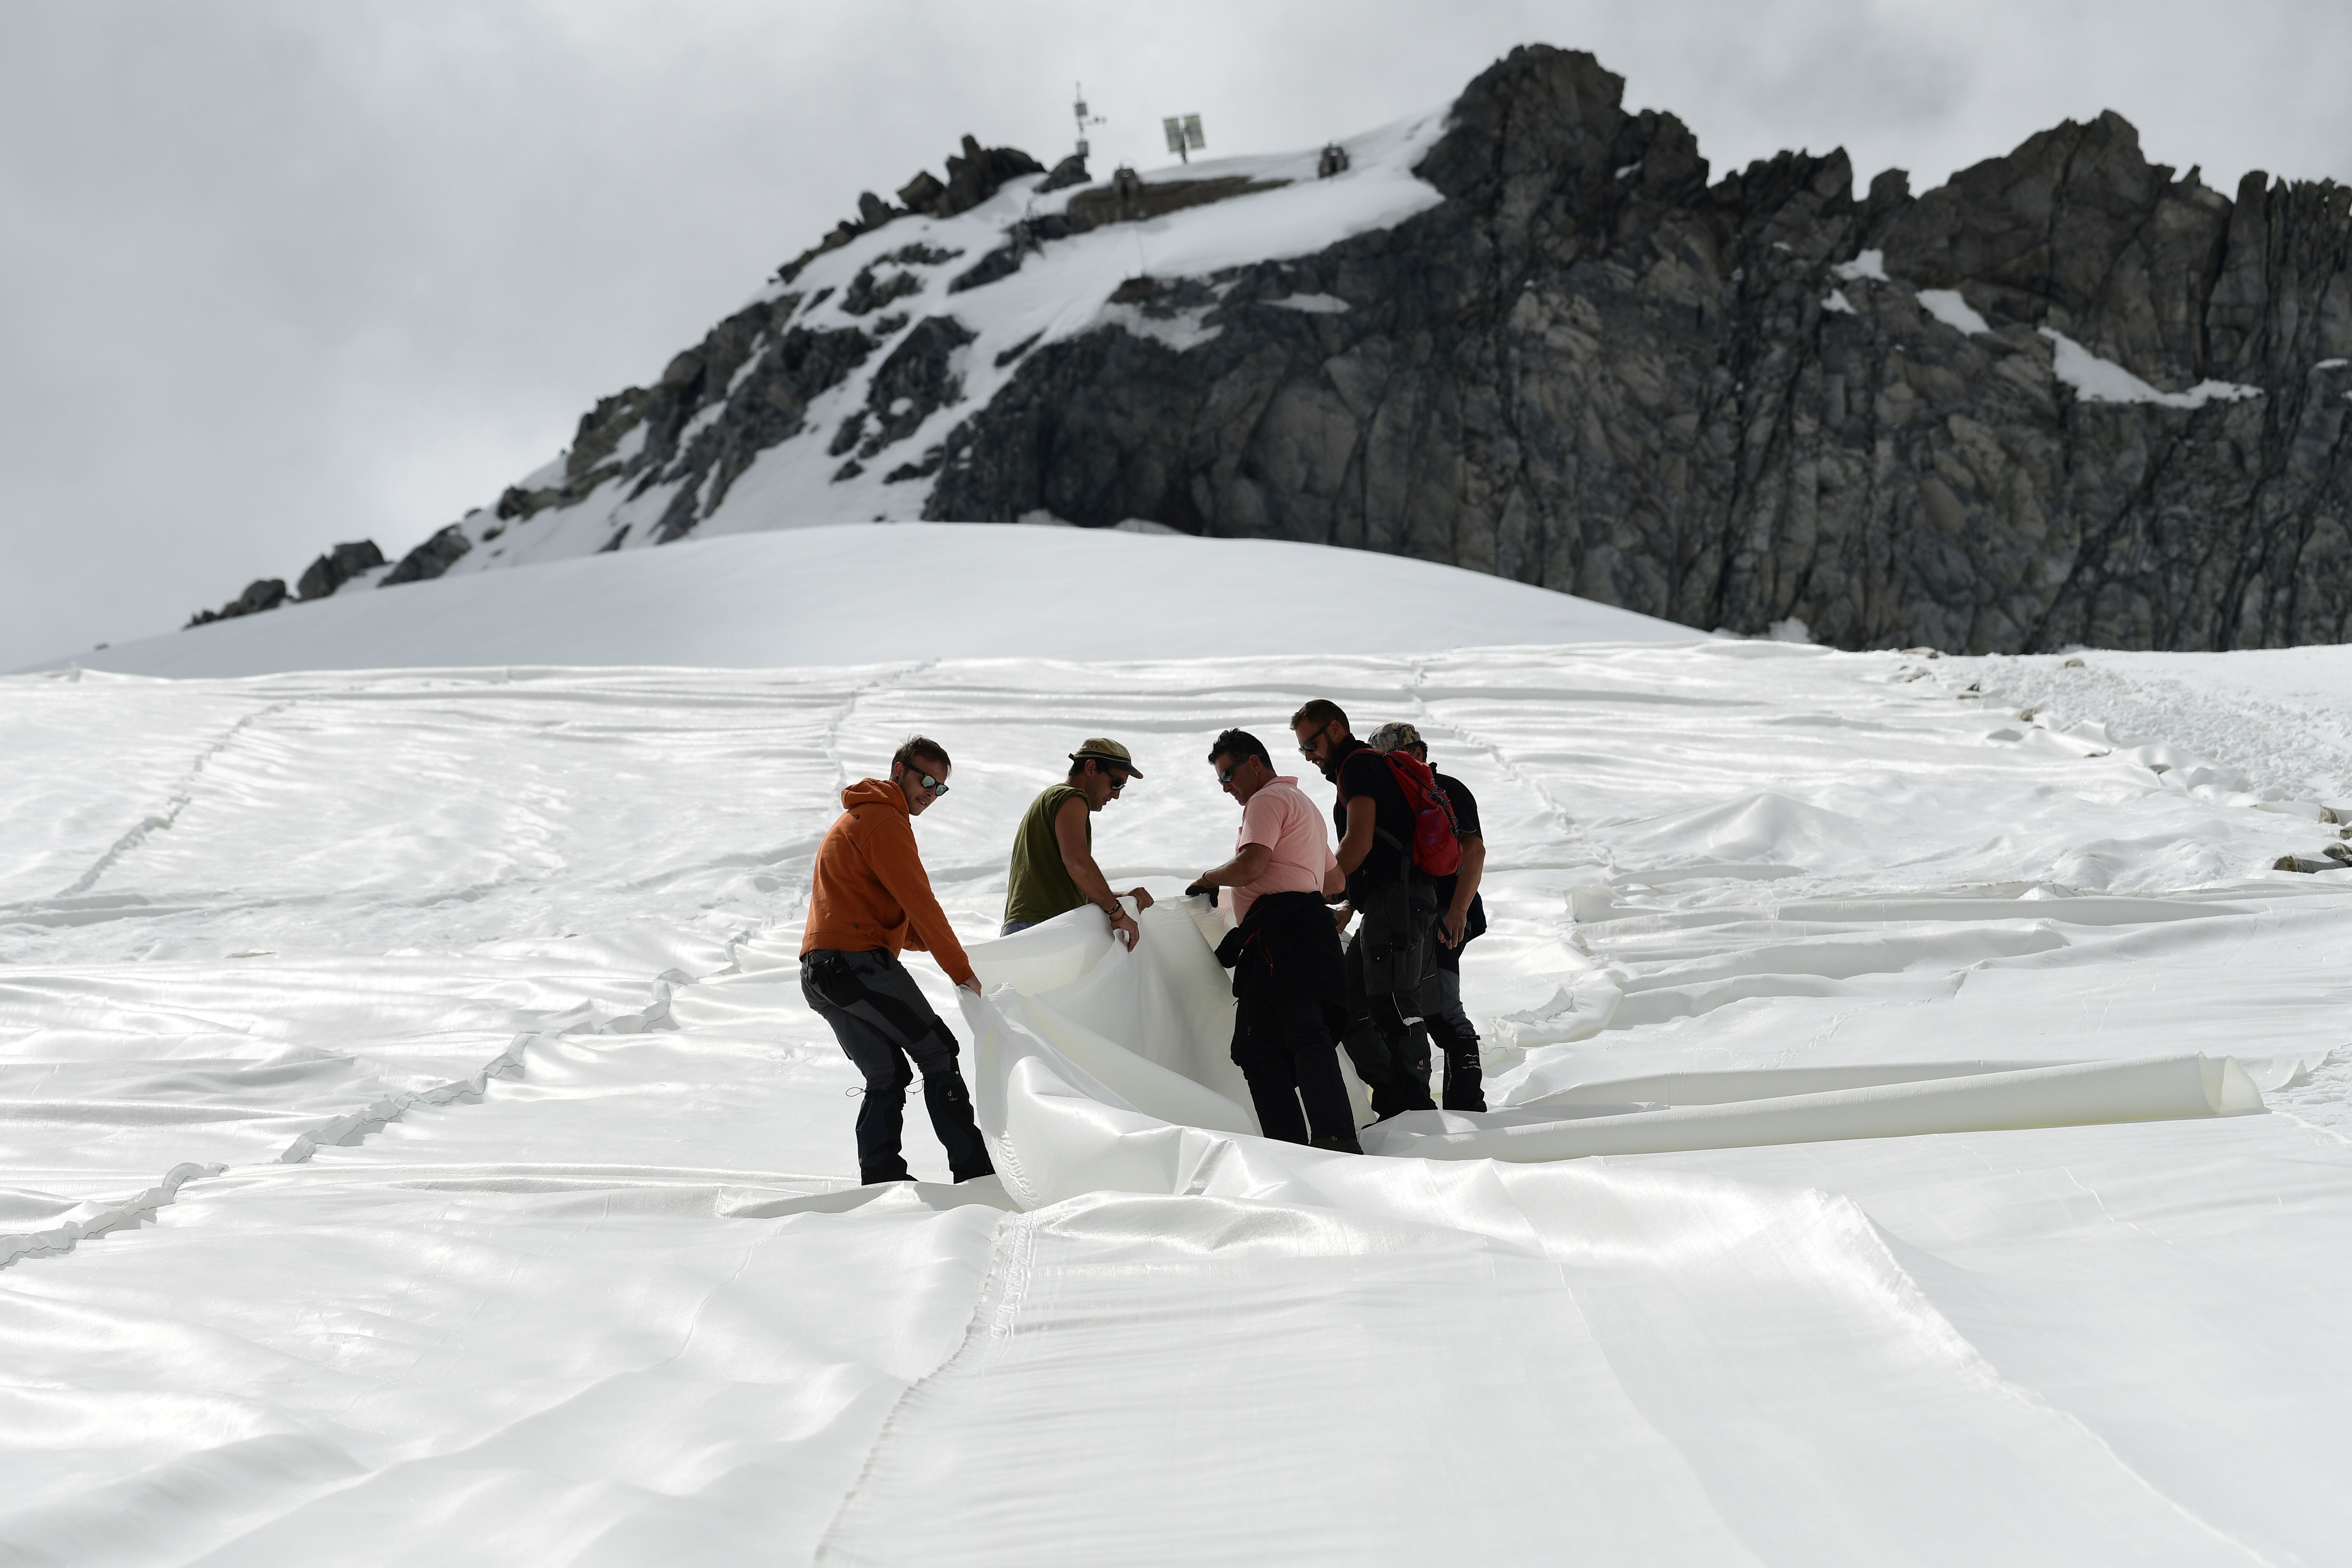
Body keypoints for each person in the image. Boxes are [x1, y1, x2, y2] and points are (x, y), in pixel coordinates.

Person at [800, 736, 994, 1187]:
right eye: (926, 779)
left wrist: (925, 942)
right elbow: (920, 901)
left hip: (821, 974)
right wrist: (962, 972)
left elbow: (885, 913)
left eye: (940, 787)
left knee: (887, 1071)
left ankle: (882, 1176)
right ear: (898, 770)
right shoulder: (886, 820)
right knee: (939, 1050)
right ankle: (975, 1172)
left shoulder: (858, 817)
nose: (930, 791)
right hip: (854, 964)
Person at [1186, 729, 1361, 1152]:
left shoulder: (1264, 800)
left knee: (1271, 1044)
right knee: (1292, 1037)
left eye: (1229, 773)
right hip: (1307, 932)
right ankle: (1326, 1138)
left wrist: (1208, 880)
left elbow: (1252, 865)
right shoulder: (1305, 806)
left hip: (1278, 937)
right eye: (1220, 779)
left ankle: (1304, 1145)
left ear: (1255, 763)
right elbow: (1335, 881)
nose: (1227, 785)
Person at [1291, 699, 1438, 1120]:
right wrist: (1350, 899)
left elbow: (1360, 842)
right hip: (1390, 902)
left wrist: (1314, 889)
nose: (1309, 755)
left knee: (1392, 1001)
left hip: (1398, 901)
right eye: (1302, 749)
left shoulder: (1357, 765)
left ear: (1335, 729)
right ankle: (1394, 1097)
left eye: (1311, 744)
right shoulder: (1365, 767)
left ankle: (1416, 1109)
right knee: (1351, 1005)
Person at [1369, 721, 1487, 1112]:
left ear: (1418, 753)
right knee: (1429, 1011)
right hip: (1421, 916)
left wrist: (1457, 913)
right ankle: (1460, 1107)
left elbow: (1475, 852)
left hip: (1441, 918)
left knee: (1444, 1014)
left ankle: (1467, 1107)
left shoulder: (1445, 790)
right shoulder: (1407, 796)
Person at [1002, 738, 1155, 943]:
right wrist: (1118, 914)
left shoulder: (1050, 800)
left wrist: (1121, 897)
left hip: (1025, 930)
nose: (1116, 795)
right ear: (1091, 768)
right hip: (1042, 928)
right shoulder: (1072, 799)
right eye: (1117, 783)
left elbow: (1077, 883)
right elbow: (1077, 863)